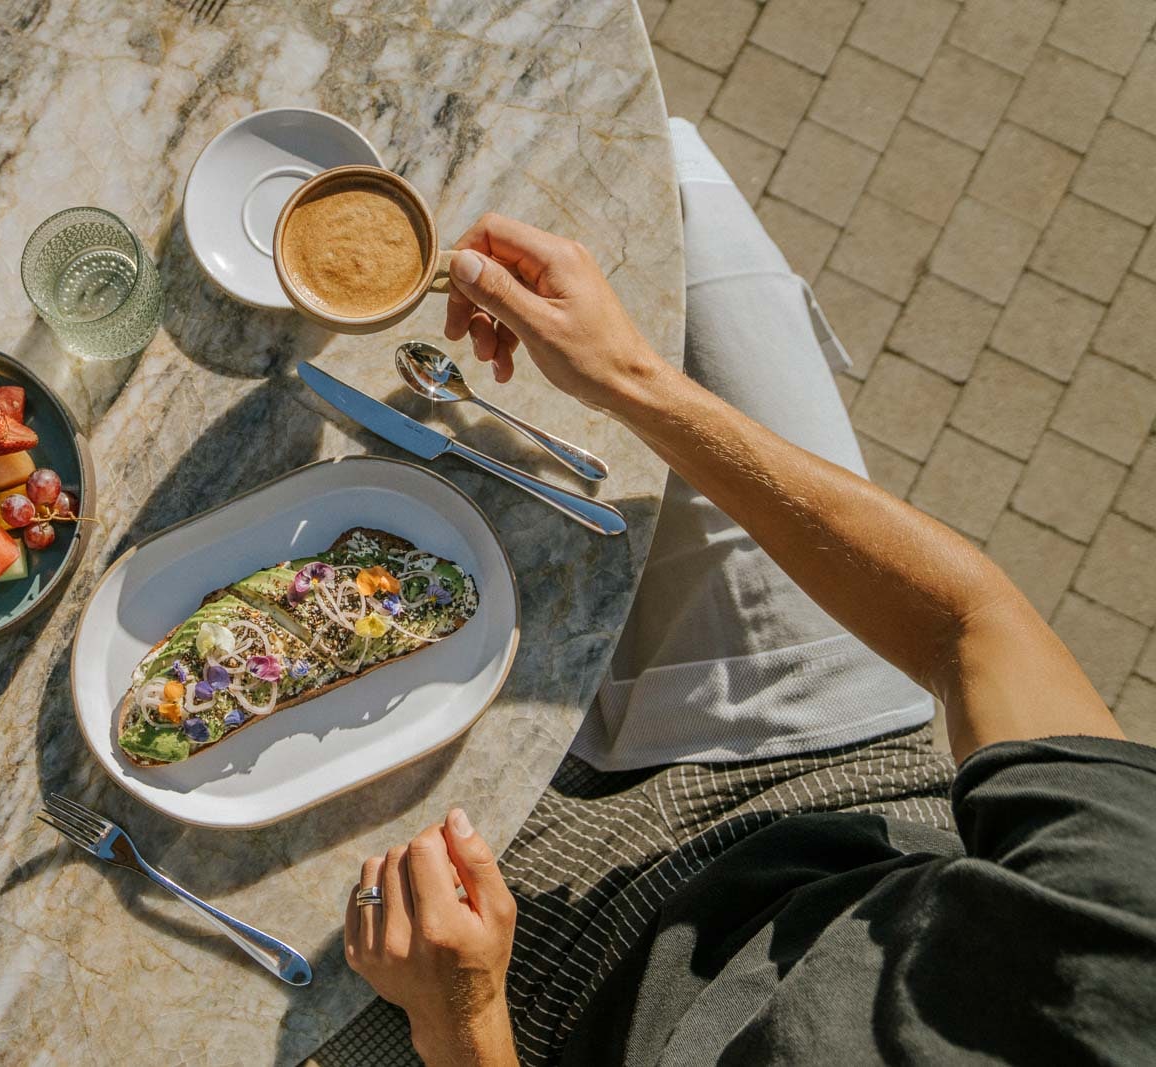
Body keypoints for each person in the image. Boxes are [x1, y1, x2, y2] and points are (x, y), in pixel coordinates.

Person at [323, 123, 1156, 1066]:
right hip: (823, 772)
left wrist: (464, 1019)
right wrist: (630, 379)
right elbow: (971, 626)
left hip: (554, 1001)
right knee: (664, 180)